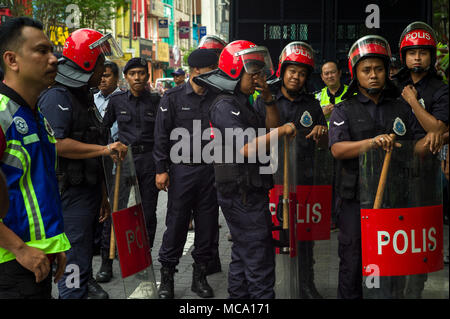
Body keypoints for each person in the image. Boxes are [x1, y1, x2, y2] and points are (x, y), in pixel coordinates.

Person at [328, 34, 431, 299]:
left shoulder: (402, 108)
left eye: (379, 69)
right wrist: (372, 143)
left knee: (391, 266)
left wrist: (433, 139)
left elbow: (417, 145)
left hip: (394, 200)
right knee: (352, 263)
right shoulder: (343, 110)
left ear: (387, 71)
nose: (373, 75)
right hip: (354, 202)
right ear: (355, 74)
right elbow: (338, 149)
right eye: (366, 70)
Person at [200, 40, 296, 298]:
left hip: (252, 191)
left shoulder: (245, 101)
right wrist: (284, 130)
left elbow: (269, 129)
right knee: (260, 262)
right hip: (240, 195)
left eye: (259, 72)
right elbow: (247, 148)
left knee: (243, 259)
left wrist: (268, 100)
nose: (258, 77)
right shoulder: (224, 105)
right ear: (234, 72)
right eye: (252, 72)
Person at [38, 28, 127, 299]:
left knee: (84, 249)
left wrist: (102, 194)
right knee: (74, 256)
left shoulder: (83, 97)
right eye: (100, 60)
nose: (104, 68)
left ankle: (82, 287)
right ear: (87, 63)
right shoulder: (58, 97)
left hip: (88, 192)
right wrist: (105, 149)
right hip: (69, 194)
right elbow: (57, 144)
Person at [0, 16, 71, 298]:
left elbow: (39, 187)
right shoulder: (2, 114)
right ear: (12, 60)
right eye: (42, 51)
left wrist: (55, 246)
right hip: (11, 264)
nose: (54, 59)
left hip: (36, 261)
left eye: (52, 51)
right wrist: (19, 248)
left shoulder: (36, 115)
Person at [255, 41, 328, 299]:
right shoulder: (265, 98)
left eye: (302, 73)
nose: (296, 77)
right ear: (283, 70)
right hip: (271, 180)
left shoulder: (312, 103)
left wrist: (322, 133)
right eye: (292, 71)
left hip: (304, 180)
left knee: (304, 236)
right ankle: (272, 284)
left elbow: (324, 142)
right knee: (271, 233)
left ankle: (306, 283)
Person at [153, 49, 220, 299]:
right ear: (195, 71)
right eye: (210, 69)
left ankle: (199, 277)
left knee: (208, 225)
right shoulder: (172, 97)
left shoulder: (217, 97)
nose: (214, 74)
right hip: (182, 170)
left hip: (211, 171)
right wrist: (161, 170)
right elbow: (160, 136)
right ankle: (167, 277)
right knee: (176, 224)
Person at [393, 21, 449, 298]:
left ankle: (414, 291)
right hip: (390, 172)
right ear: (403, 55)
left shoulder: (440, 89)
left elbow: (437, 130)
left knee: (418, 238)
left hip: (424, 176)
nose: (417, 57)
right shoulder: (392, 85)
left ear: (431, 56)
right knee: (392, 234)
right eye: (412, 52)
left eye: (423, 52)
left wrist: (414, 103)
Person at [103, 57, 161, 251]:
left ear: (147, 76)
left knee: (148, 212)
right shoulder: (116, 101)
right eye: (133, 74)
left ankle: (144, 253)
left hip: (149, 162)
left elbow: (163, 134)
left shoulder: (156, 101)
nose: (137, 77)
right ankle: (107, 259)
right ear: (126, 77)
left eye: (141, 73)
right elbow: (103, 129)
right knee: (119, 209)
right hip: (124, 161)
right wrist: (110, 147)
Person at [93, 60, 122, 283]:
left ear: (117, 79)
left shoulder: (122, 101)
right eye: (100, 75)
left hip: (117, 164)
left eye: (108, 75)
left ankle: (110, 256)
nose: (103, 79)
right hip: (94, 162)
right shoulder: (90, 99)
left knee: (115, 212)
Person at [315, 60, 349, 126]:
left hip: (347, 135)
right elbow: (309, 122)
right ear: (322, 77)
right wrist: (322, 114)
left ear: (339, 73)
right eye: (326, 73)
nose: (330, 76)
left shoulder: (352, 93)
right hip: (324, 135)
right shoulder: (317, 97)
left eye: (333, 72)